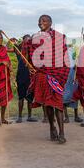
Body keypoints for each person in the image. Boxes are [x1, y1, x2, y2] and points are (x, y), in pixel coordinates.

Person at [28, 15, 70, 144]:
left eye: (44, 21)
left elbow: (64, 56)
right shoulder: (35, 39)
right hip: (43, 75)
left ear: (51, 23)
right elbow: (31, 57)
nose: (41, 23)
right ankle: (52, 128)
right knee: (48, 104)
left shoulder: (58, 37)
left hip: (56, 75)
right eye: (39, 21)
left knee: (58, 104)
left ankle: (62, 133)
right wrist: (31, 66)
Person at [16, 35, 37, 123]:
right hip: (21, 77)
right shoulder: (19, 51)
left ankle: (29, 116)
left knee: (29, 98)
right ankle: (20, 117)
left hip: (30, 77)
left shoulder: (33, 52)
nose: (28, 41)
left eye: (29, 40)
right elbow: (13, 46)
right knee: (21, 98)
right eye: (26, 40)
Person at [63, 44, 82, 123]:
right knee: (64, 95)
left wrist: (76, 65)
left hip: (73, 74)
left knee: (74, 94)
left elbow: (75, 62)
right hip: (64, 75)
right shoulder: (59, 52)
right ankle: (66, 117)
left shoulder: (72, 50)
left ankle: (76, 116)